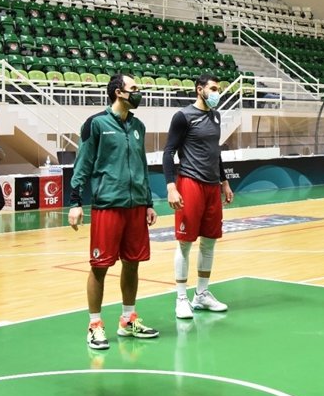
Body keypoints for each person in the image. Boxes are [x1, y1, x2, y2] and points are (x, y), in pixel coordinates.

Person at [68, 75, 160, 349]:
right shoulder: (96, 124)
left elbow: (142, 165)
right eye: (134, 89)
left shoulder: (138, 126)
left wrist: (148, 202)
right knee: (100, 266)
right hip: (107, 205)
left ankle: (127, 319)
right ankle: (94, 324)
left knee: (133, 263)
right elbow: (82, 163)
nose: (138, 93)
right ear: (119, 93)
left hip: (135, 207)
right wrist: (75, 202)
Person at [165, 74, 234, 319]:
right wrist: (171, 186)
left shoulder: (215, 116)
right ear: (199, 89)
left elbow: (215, 153)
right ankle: (181, 298)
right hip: (189, 183)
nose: (218, 92)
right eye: (214, 88)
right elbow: (169, 151)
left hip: (212, 186)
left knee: (209, 241)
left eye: (219, 89)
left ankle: (201, 295)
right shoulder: (183, 117)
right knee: (185, 243)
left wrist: (224, 182)